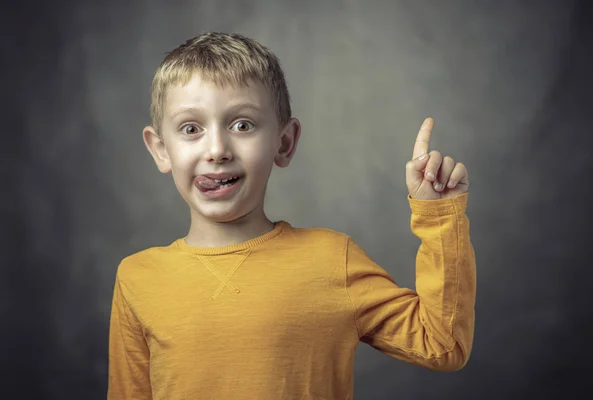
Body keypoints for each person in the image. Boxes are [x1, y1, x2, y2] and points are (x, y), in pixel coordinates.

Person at [107, 32, 476, 400]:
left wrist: (439, 216)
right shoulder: (138, 279)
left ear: (284, 143)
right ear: (160, 150)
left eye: (242, 125)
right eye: (191, 129)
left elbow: (443, 344)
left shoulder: (333, 259)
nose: (217, 150)